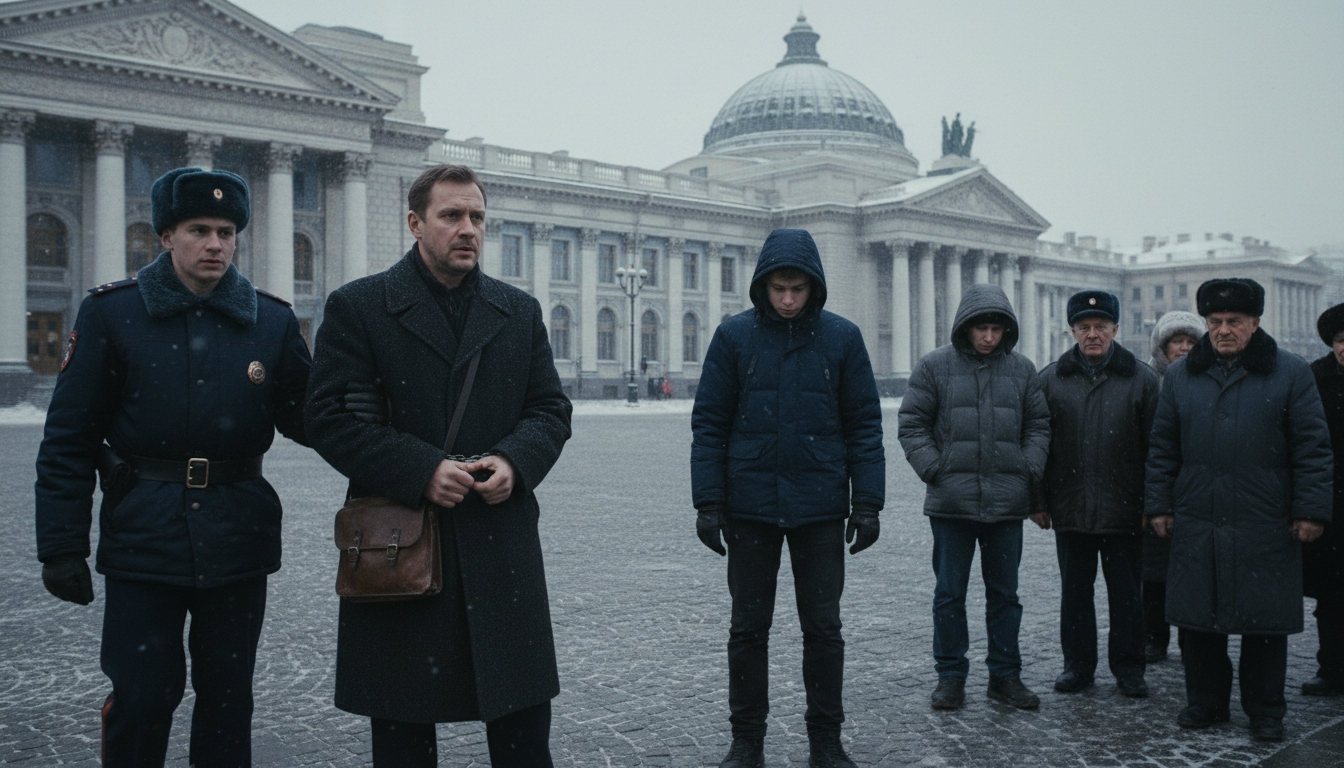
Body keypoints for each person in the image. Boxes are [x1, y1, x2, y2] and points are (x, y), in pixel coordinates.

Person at [34, 167, 311, 766]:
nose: (215, 244)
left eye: (226, 232)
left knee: (228, 700)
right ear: (165, 236)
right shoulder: (112, 313)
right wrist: (60, 546)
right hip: (144, 536)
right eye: (198, 230)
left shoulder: (272, 321)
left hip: (238, 536)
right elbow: (69, 438)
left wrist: (396, 441)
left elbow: (314, 418)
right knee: (142, 698)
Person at [304, 164, 572, 767]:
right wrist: (420, 467)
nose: (468, 228)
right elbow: (327, 418)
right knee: (404, 729)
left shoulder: (518, 310)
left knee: (522, 728)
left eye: (477, 216)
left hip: (498, 540)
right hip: (401, 542)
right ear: (415, 223)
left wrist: (515, 460)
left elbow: (550, 408)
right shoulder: (360, 307)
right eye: (451, 215)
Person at [691, 228, 884, 768]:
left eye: (798, 289)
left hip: (820, 509)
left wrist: (868, 503)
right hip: (749, 507)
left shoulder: (842, 338)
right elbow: (710, 424)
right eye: (779, 289)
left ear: (814, 287)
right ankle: (746, 741)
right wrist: (708, 502)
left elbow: (864, 426)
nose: (788, 300)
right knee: (748, 631)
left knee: (823, 630)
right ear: (763, 286)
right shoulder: (734, 337)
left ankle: (826, 741)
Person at [1146, 278, 1331, 741]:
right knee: (1199, 618)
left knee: (1263, 621)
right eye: (1215, 321)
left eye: (1234, 321)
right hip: (1198, 515)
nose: (1224, 330)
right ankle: (1205, 702)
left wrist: (1310, 511)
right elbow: (1163, 448)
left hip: (1265, 518)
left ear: (1255, 322)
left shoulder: (1291, 372)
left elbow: (1312, 449)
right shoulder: (1182, 376)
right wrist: (1159, 505)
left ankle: (1265, 710)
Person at [898, 283, 1050, 712]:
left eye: (996, 330)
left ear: (1006, 331)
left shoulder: (1022, 370)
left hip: (1006, 503)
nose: (988, 337)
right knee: (950, 594)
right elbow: (912, 424)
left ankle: (1005, 675)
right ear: (965, 327)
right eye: (981, 328)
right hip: (953, 504)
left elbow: (1038, 426)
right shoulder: (934, 366)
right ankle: (950, 676)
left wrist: (1027, 466)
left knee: (1005, 595)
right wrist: (936, 469)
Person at [1032, 291, 1159, 699]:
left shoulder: (1142, 380)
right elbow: (1036, 445)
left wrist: (1153, 503)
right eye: (1084, 327)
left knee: (1127, 596)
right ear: (1072, 331)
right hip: (1070, 508)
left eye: (1100, 327)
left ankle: (1129, 668)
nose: (1092, 335)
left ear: (1115, 330)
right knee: (1075, 595)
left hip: (1127, 509)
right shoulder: (1050, 380)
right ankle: (1078, 666)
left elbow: (1158, 449)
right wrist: (1037, 500)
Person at [1142, 310, 1203, 663]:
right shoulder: (1147, 381)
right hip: (1157, 486)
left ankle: (1191, 639)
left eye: (1191, 341)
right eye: (1177, 341)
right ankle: (1154, 637)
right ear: (1162, 347)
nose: (1183, 347)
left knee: (1194, 573)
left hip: (1195, 490)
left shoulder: (1208, 379)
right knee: (1154, 573)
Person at [1304, 303, 1344, 696]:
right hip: (1333, 503)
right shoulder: (1316, 378)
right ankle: (1332, 668)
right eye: (1340, 340)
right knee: (1332, 595)